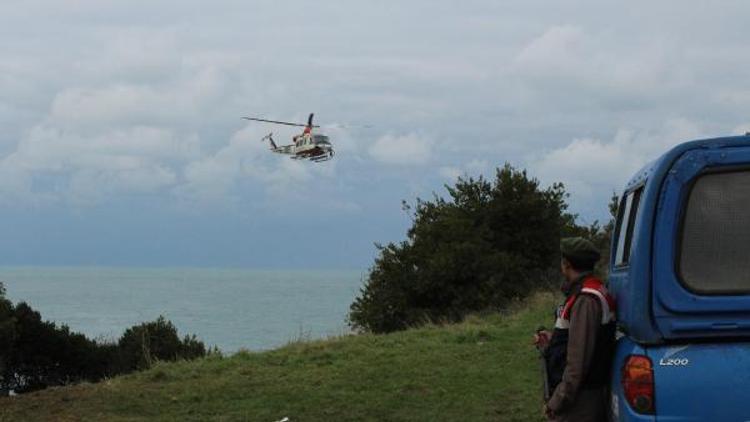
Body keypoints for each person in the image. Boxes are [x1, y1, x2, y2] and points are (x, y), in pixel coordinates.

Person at [533, 237, 616, 421]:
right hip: (583, 394)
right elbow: (582, 337)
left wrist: (557, 401)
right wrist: (553, 338)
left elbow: (578, 362)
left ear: (566, 263)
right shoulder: (591, 290)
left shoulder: (586, 299)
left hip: (580, 401)